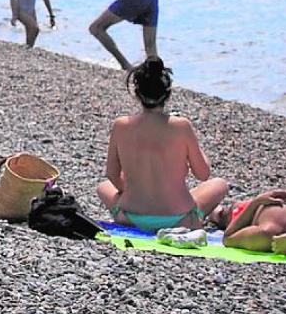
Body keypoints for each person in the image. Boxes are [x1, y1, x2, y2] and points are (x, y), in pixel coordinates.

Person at [96, 58, 228, 232]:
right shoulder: (181, 126)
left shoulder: (121, 125)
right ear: (167, 93)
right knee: (219, 184)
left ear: (137, 92)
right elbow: (203, 174)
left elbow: (112, 174)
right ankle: (215, 214)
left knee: (103, 187)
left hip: (130, 217)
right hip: (179, 220)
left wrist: (130, 190)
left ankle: (138, 204)